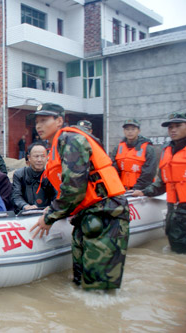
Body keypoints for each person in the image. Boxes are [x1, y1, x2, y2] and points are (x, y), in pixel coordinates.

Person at [29, 103, 129, 290]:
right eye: (36, 122)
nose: (38, 126)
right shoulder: (57, 145)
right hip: (88, 215)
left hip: (105, 212)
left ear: (59, 121)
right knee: (81, 282)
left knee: (98, 290)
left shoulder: (71, 140)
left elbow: (74, 187)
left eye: (44, 120)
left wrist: (50, 216)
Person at [132, 112, 186, 254]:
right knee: (176, 250)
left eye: (178, 126)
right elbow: (162, 182)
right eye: (170, 127)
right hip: (173, 211)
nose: (173, 130)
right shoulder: (166, 150)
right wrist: (144, 191)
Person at [110, 119, 158, 190]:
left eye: (133, 129)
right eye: (127, 129)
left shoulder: (148, 148)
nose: (130, 132)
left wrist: (137, 189)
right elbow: (114, 169)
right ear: (124, 131)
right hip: (122, 189)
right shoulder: (118, 148)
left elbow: (149, 172)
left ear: (138, 131)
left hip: (142, 190)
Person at [12, 141, 56, 213]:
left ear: (47, 157)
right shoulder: (19, 174)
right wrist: (25, 206)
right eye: (36, 156)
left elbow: (57, 196)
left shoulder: (51, 175)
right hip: (24, 213)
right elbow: (16, 196)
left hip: (46, 213)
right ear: (29, 158)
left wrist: (52, 207)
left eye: (42, 156)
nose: (39, 160)